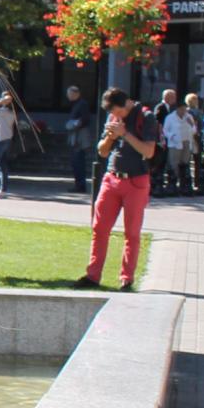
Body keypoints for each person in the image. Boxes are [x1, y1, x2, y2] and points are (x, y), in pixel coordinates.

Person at [75, 88, 156, 290]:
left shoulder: (146, 117)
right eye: (113, 113)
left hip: (136, 181)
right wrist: (110, 138)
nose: (117, 116)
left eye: (119, 111)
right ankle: (93, 276)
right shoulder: (113, 116)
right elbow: (102, 152)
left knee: (132, 233)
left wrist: (124, 134)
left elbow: (149, 151)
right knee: (99, 228)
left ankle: (126, 279)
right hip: (111, 178)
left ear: (127, 103)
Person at [162, 99, 198, 198]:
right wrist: (172, 136)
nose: (184, 111)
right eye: (182, 109)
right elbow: (165, 130)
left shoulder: (189, 116)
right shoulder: (170, 117)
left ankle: (183, 184)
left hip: (186, 141)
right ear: (177, 109)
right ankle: (173, 183)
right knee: (174, 163)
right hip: (175, 143)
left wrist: (192, 124)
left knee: (185, 163)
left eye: (185, 109)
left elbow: (194, 131)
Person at [148, 88, 179, 195]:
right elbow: (158, 123)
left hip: (165, 138)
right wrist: (160, 138)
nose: (175, 99)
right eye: (173, 97)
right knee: (159, 161)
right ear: (167, 97)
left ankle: (159, 181)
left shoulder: (169, 108)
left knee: (163, 161)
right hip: (160, 139)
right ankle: (155, 183)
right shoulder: (161, 107)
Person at [65, 85, 94, 192]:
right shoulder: (76, 104)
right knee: (75, 162)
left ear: (75, 94)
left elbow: (85, 119)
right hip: (75, 136)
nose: (68, 96)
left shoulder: (82, 104)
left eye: (69, 94)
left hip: (79, 137)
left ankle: (80, 186)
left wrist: (73, 124)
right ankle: (78, 185)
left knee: (78, 161)